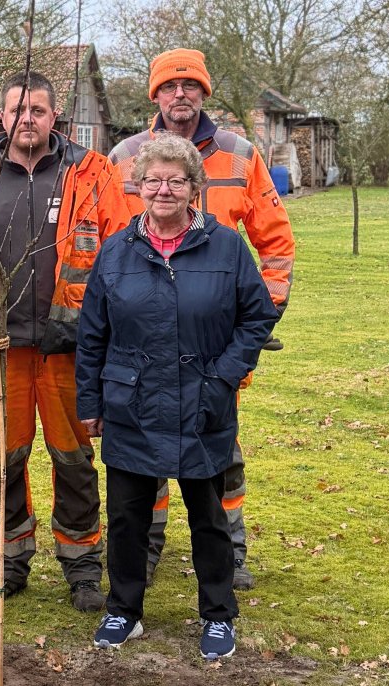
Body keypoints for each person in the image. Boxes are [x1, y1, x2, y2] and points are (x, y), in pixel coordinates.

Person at [76, 133, 278, 660]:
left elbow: (257, 317)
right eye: (153, 180)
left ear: (194, 187)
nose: (163, 190)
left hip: (202, 401)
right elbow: (92, 334)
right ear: (138, 186)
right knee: (126, 518)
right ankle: (123, 610)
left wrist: (224, 377)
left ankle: (217, 614)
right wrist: (91, 405)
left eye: (176, 180)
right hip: (132, 405)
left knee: (209, 517)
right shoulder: (117, 250)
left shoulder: (227, 247)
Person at [108, 48, 295, 590]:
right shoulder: (124, 156)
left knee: (219, 446)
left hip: (213, 343)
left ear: (204, 93)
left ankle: (229, 547)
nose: (180, 94)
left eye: (191, 85)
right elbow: (110, 251)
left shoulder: (239, 154)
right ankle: (145, 547)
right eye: (170, 86)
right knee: (143, 444)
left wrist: (264, 315)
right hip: (143, 341)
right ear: (155, 96)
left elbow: (275, 243)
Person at [0, 71, 130, 612]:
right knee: (2, 460)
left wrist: (110, 339)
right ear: (0, 116)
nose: (27, 118)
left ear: (56, 117)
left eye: (38, 110)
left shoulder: (93, 172)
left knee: (73, 460)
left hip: (69, 345)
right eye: (17, 109)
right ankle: (7, 562)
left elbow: (120, 255)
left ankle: (81, 567)